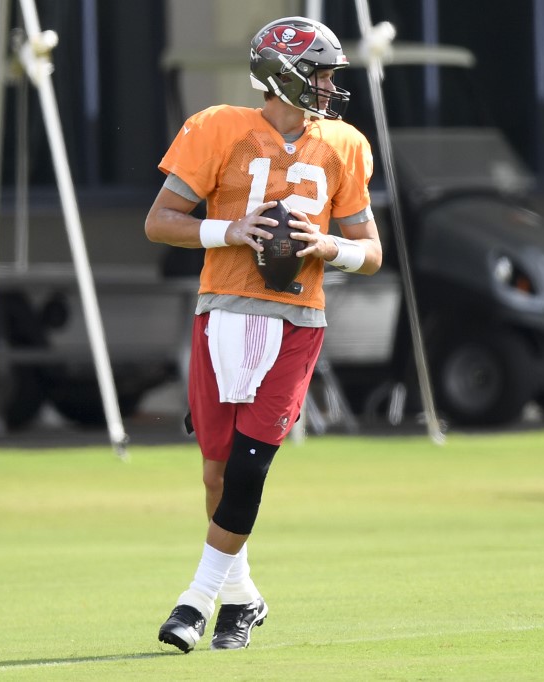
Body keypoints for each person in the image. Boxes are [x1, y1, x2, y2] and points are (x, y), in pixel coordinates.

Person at [145, 17, 383, 652]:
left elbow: (373, 252)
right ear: (287, 74)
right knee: (218, 473)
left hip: (297, 317)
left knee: (251, 465)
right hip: (221, 308)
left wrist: (326, 244)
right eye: (323, 73)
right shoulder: (217, 127)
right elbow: (160, 222)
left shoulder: (344, 144)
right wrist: (232, 230)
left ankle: (194, 602)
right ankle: (244, 597)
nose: (331, 86)